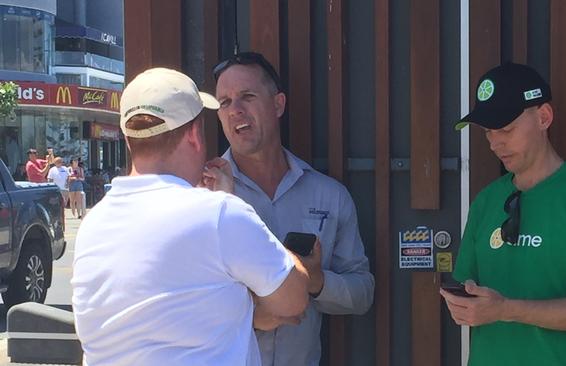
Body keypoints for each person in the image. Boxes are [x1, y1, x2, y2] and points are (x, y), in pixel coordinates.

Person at [71, 67, 309, 365]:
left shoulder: (92, 224)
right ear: (195, 134)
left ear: (129, 139)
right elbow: (294, 299)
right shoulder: (220, 214)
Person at [441, 62, 566, 366]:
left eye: (506, 128)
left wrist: (507, 309)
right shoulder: (486, 201)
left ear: (543, 117)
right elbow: (467, 287)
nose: (495, 142)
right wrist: (465, 303)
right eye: (488, 132)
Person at [213, 52, 375, 366]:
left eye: (247, 96)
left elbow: (362, 293)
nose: (235, 111)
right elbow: (181, 299)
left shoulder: (329, 195)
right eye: (225, 102)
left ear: (278, 104)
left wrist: (316, 282)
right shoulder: (203, 195)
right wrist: (250, 317)